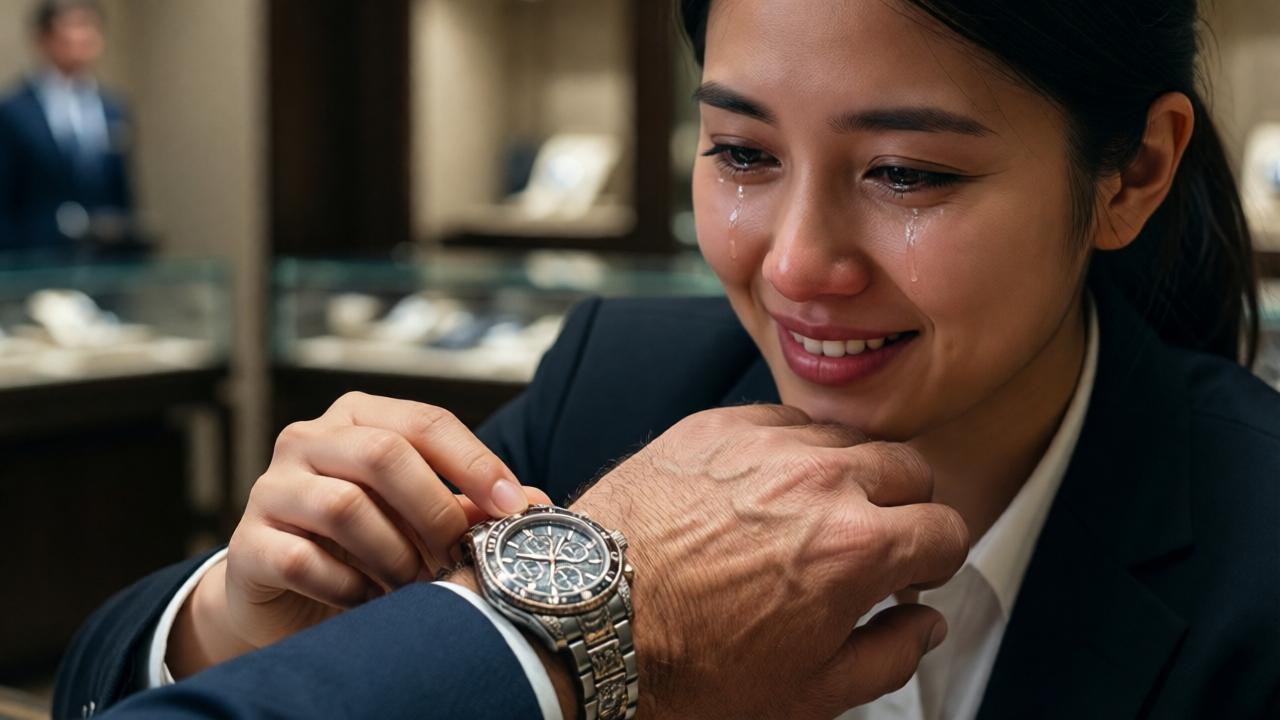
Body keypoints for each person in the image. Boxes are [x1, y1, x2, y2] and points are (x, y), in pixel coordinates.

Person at [56, 0, 1280, 717]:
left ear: (1131, 174)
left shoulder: (1252, 542)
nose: (794, 263)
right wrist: (237, 620)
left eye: (907, 173)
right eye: (741, 154)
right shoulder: (624, 388)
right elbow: (103, 679)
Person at [0, 0, 138, 262]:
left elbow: (122, 193)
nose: (81, 36)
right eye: (72, 26)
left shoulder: (113, 109)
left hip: (102, 260)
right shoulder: (12, 111)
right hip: (35, 258)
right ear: (43, 38)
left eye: (89, 27)